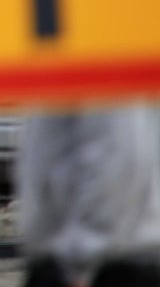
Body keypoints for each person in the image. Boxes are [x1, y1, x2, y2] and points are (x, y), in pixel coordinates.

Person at [17, 104, 160, 287]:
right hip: (79, 254)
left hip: (100, 262)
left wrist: (83, 259)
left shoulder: (98, 79)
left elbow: (115, 160)